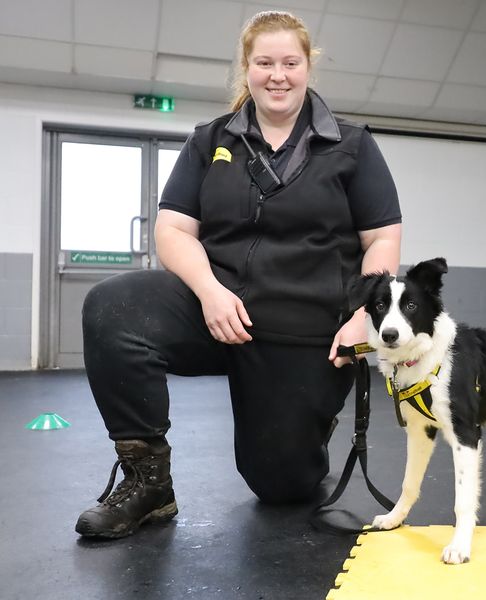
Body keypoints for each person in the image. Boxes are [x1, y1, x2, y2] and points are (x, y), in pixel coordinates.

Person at [75, 10, 402, 538]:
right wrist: (209, 292)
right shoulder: (210, 141)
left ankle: (305, 423)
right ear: (246, 68)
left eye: (290, 62)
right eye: (265, 62)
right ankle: (148, 483)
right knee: (113, 308)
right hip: (217, 311)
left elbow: (381, 238)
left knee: (280, 487)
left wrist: (365, 314)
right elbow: (173, 232)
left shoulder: (352, 145)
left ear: (307, 67)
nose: (278, 75)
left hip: (306, 330)